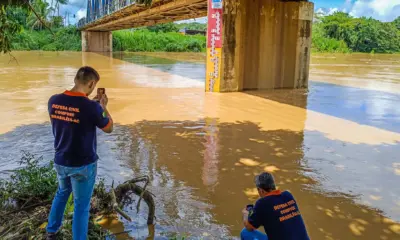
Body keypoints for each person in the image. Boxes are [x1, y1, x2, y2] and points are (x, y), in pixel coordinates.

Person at [46, 66, 113, 240]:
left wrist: (93, 106)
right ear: (92, 84)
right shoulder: (93, 107)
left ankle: (51, 231)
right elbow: (109, 127)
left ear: (76, 79)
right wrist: (104, 107)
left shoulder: (53, 101)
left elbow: (67, 122)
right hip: (83, 164)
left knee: (62, 192)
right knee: (81, 206)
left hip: (61, 160)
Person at [241, 172, 310, 240]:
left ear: (261, 191)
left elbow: (249, 227)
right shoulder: (288, 195)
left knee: (245, 232)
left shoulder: (262, 203)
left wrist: (245, 214)